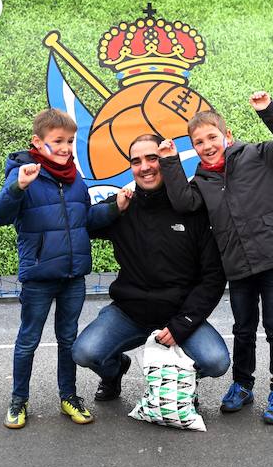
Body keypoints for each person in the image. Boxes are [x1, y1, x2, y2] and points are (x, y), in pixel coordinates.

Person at [157, 91, 273, 424]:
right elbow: (182, 202)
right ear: (193, 148)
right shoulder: (202, 180)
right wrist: (168, 161)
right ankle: (242, 384)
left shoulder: (259, 155)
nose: (207, 145)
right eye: (198, 142)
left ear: (227, 137)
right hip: (237, 265)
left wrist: (267, 110)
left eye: (212, 137)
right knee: (243, 329)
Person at [0, 108, 124, 430]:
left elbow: (85, 221)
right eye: (57, 141)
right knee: (28, 341)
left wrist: (114, 209)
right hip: (38, 278)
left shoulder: (75, 178)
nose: (65, 147)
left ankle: (69, 396)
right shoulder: (23, 174)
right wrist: (16, 188)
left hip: (73, 277)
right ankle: (18, 399)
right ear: (38, 142)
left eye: (69, 141)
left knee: (68, 340)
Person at [72, 134, 230, 403]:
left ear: (165, 160)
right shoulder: (122, 204)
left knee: (216, 362)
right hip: (129, 313)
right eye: (136, 161)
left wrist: (184, 323)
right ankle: (114, 371)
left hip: (178, 317)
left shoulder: (191, 207)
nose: (145, 166)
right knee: (85, 353)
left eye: (152, 158)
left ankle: (178, 382)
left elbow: (213, 276)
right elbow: (83, 225)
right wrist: (113, 209)